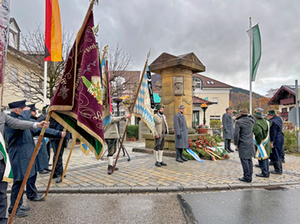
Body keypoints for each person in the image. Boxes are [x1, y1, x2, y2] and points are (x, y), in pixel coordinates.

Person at [4, 100, 50, 218]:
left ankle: (18, 204)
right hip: (18, 155)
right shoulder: (12, 121)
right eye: (23, 109)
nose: (28, 111)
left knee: (22, 181)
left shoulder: (20, 119)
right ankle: (13, 208)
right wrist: (26, 113)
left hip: (24, 155)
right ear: (16, 110)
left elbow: (31, 127)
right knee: (18, 181)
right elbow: (22, 123)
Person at [234, 108, 255, 183]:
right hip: (250, 142)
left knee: (244, 160)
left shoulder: (239, 122)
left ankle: (246, 177)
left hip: (243, 142)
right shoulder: (251, 121)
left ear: (240, 114)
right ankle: (250, 176)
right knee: (249, 160)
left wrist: (236, 143)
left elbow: (236, 133)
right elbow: (253, 117)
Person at [49, 118, 71, 183]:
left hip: (61, 136)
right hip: (57, 136)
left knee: (57, 155)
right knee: (58, 155)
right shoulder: (54, 111)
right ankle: (59, 174)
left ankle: (55, 172)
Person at [253, 111, 272, 178]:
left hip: (261, 143)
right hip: (266, 143)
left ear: (256, 117)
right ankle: (266, 171)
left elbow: (258, 133)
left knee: (261, 158)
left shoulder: (257, 124)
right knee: (266, 158)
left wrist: (258, 142)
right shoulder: (266, 122)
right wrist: (265, 118)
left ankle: (264, 172)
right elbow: (270, 122)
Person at [268, 110, 284, 175]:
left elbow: (273, 133)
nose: (268, 117)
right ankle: (280, 169)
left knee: (275, 154)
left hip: (276, 139)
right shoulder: (279, 119)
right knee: (279, 154)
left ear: (271, 115)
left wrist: (271, 142)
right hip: (281, 138)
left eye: (268, 115)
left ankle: (278, 170)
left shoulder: (273, 122)